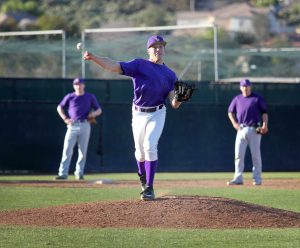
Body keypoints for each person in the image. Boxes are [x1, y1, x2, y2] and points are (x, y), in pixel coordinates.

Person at [83, 35, 183, 200]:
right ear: (148, 50)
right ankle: (143, 181)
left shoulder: (171, 75)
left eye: (161, 46)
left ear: (164, 49)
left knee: (150, 145)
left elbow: (174, 103)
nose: (158, 49)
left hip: (158, 112)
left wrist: (179, 98)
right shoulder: (139, 65)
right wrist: (94, 57)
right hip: (138, 113)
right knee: (140, 152)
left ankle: (149, 187)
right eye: (154, 46)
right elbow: (113, 66)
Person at [55, 77, 102, 180]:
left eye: (80, 84)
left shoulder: (89, 96)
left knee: (82, 151)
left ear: (83, 85)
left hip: (85, 124)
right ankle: (63, 173)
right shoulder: (70, 96)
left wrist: (93, 113)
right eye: (76, 84)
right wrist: (65, 118)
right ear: (74, 86)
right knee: (67, 149)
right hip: (72, 125)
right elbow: (59, 107)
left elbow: (99, 110)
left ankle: (79, 173)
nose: (78, 86)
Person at [227, 79, 268, 186]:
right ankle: (238, 178)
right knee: (238, 155)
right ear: (240, 87)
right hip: (241, 129)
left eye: (247, 86)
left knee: (255, 155)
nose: (245, 88)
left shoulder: (256, 98)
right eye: (243, 86)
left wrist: (265, 124)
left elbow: (264, 112)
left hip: (254, 129)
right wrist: (234, 124)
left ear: (250, 87)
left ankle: (257, 179)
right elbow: (230, 112)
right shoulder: (237, 99)